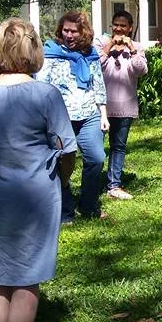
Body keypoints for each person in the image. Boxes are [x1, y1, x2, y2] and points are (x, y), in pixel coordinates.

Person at [0, 18, 77, 322]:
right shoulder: (45, 94)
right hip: (34, 197)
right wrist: (62, 179)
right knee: (27, 280)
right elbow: (67, 151)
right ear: (33, 49)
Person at [36, 11, 108, 222]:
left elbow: (98, 84)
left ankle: (88, 205)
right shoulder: (51, 52)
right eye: (65, 30)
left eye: (74, 31)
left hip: (89, 115)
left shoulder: (91, 53)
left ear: (83, 32)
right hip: (59, 118)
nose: (69, 34)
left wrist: (103, 113)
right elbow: (41, 84)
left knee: (96, 158)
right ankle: (64, 209)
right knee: (60, 162)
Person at [95, 11, 148, 200]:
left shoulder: (137, 47)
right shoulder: (101, 44)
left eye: (123, 26)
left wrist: (132, 49)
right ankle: (93, 183)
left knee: (118, 146)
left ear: (130, 28)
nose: (118, 29)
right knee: (96, 147)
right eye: (115, 25)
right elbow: (96, 65)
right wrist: (111, 45)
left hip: (125, 105)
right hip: (100, 105)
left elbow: (140, 70)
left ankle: (114, 185)